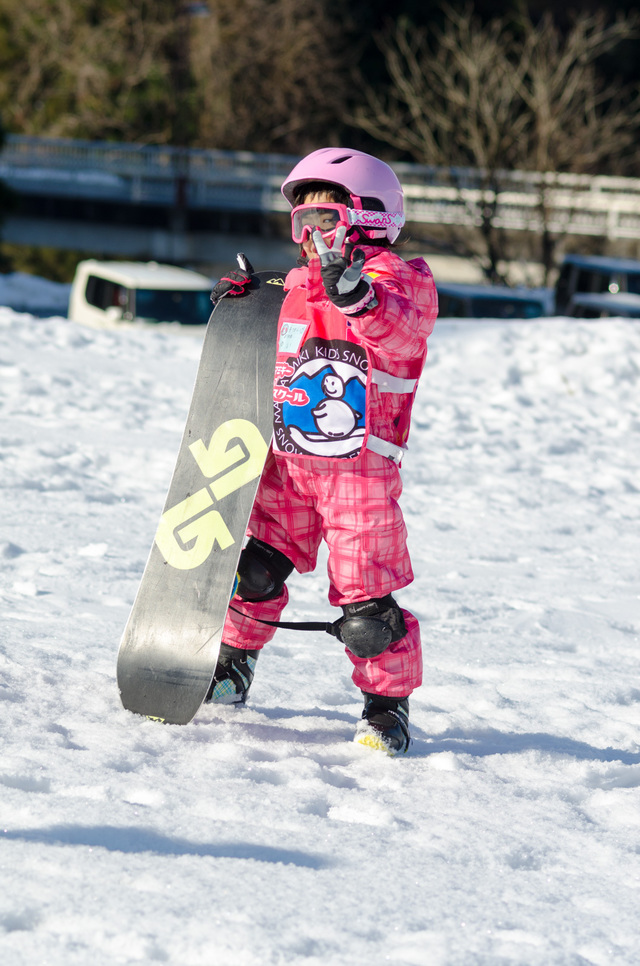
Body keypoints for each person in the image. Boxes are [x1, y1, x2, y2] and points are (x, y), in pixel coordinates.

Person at [208, 147, 438, 755]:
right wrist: (244, 306)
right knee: (252, 574)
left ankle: (386, 709)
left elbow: (399, 325)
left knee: (366, 611)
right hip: (286, 463)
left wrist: (356, 296)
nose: (310, 238)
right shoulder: (296, 285)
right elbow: (256, 349)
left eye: (325, 221)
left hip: (358, 472)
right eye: (301, 224)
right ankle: (232, 667)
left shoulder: (401, 280)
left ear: (369, 219)